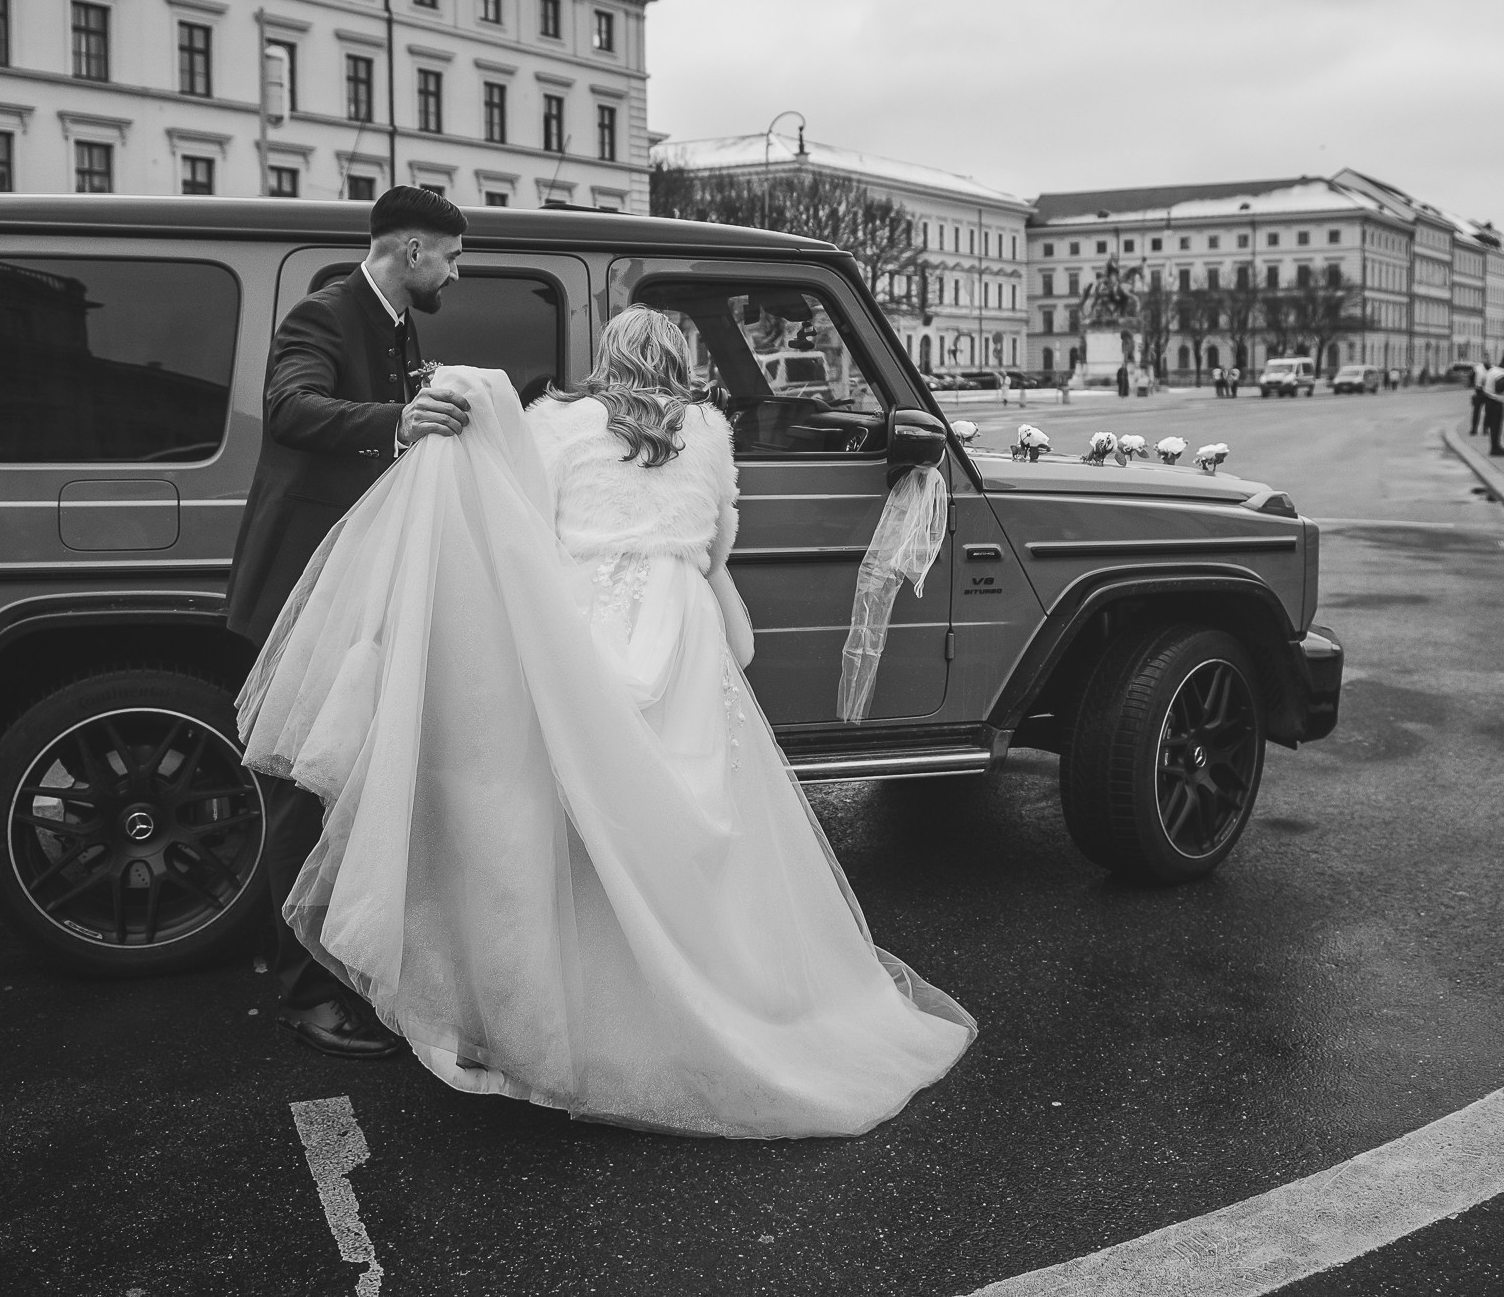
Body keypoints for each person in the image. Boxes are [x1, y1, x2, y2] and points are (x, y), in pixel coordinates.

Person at [238, 310, 975, 1137]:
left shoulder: (558, 424)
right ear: (680, 361)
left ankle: (565, 1011)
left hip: (579, 631)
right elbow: (720, 543)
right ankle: (724, 991)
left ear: (610, 356)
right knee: (701, 827)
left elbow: (523, 526)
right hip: (684, 631)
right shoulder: (707, 430)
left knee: (566, 823)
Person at [224, 187, 476, 1060]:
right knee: (304, 785)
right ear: (409, 251)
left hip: (350, 589)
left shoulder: (398, 323)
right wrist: (397, 419)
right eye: (448, 255)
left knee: (339, 782)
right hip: (307, 591)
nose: (456, 269)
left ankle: (330, 965)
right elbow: (289, 406)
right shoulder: (325, 314)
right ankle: (303, 995)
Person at [1480, 355, 1504, 455]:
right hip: (1497, 402)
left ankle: (1495, 446)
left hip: (1488, 399)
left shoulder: (1491, 370)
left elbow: (1483, 382)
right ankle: (1495, 448)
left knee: (1492, 424)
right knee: (1496, 425)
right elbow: (1500, 388)